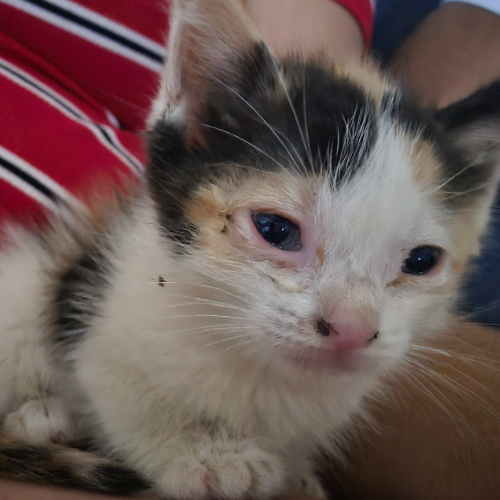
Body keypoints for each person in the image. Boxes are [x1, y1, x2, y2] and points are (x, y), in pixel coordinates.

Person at [0, 0, 499, 498]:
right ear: (194, 124)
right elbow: (106, 365)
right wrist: (173, 444)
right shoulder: (151, 310)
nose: (353, 324)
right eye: (277, 230)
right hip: (36, 315)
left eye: (418, 261)